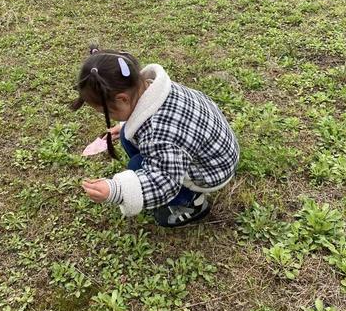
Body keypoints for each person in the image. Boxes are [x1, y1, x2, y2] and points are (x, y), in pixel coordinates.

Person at [74, 46, 240, 228]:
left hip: (210, 170)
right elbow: (143, 113)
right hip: (214, 147)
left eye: (106, 112)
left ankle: (192, 203)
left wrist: (117, 190)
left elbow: (164, 181)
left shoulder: (160, 134)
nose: (107, 116)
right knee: (125, 134)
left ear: (123, 99)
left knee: (137, 166)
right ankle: (157, 167)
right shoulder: (153, 87)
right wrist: (123, 125)